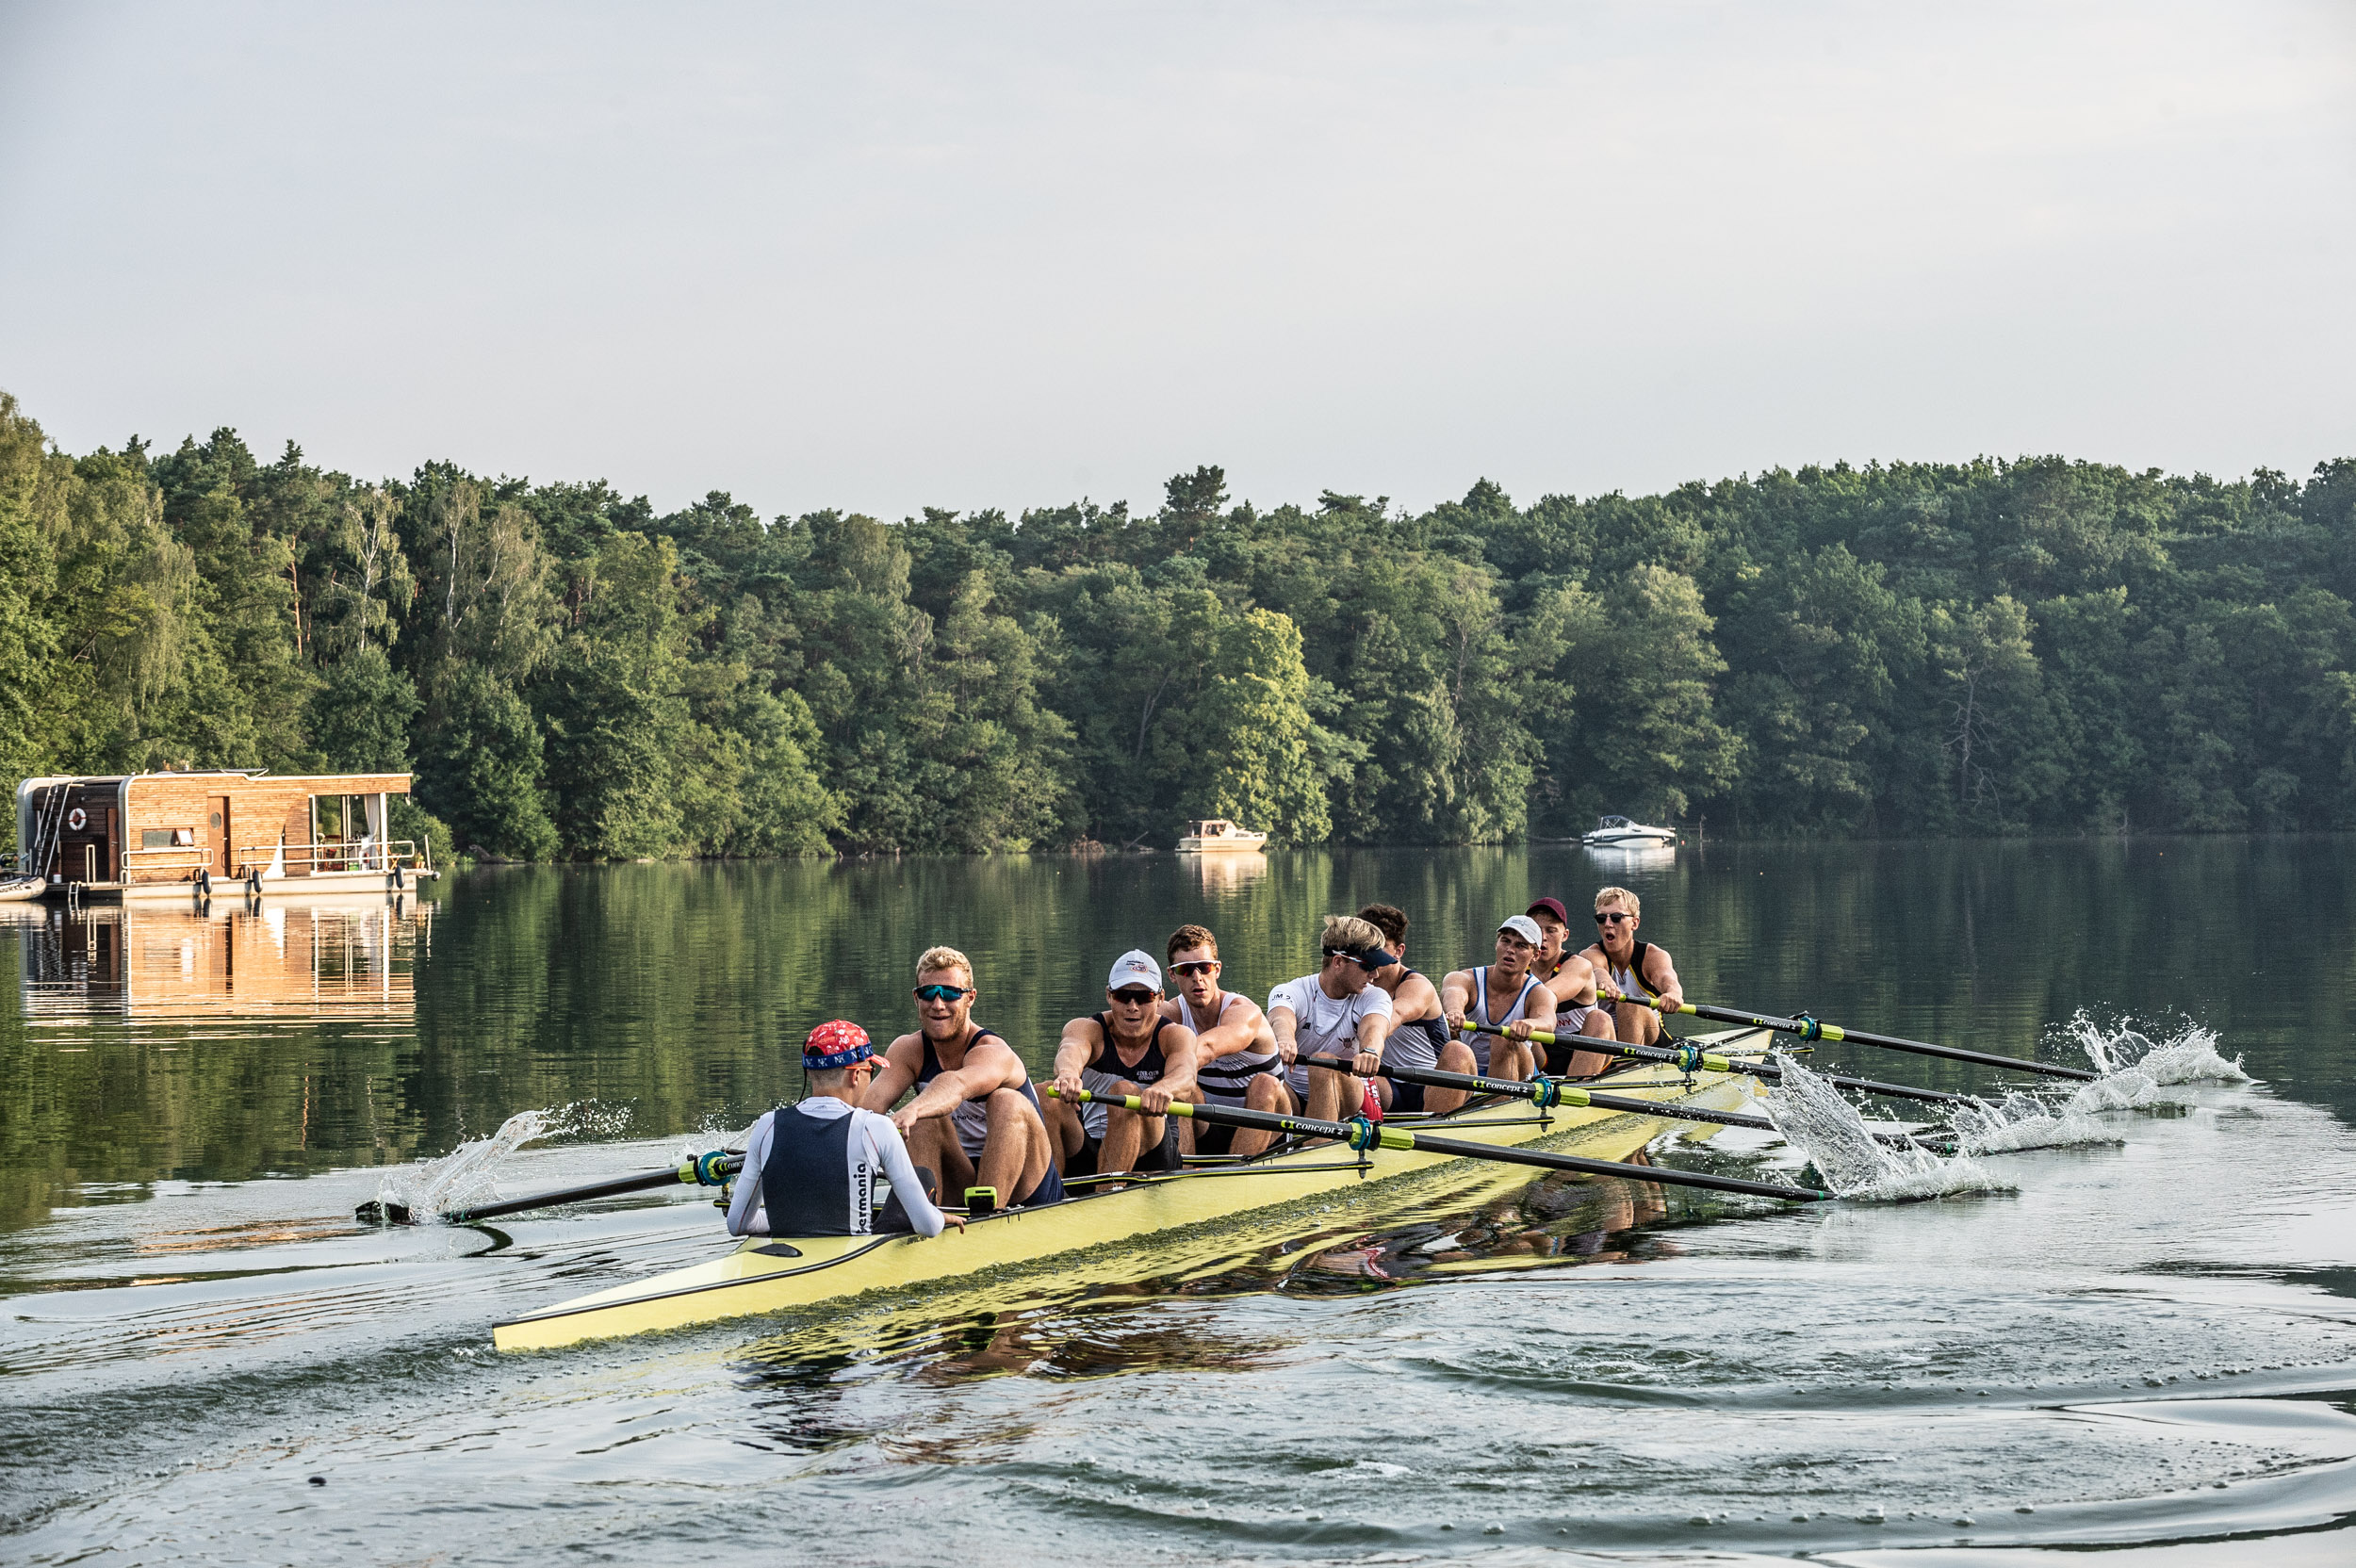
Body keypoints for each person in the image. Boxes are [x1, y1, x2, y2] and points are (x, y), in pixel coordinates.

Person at [862, 945, 1063, 1212]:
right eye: (928, 994)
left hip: (1027, 1181)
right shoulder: (908, 1049)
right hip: (963, 1175)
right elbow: (867, 1108)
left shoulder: (993, 1051)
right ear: (916, 998)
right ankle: (918, 1218)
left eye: (950, 994)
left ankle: (987, 1218)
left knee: (1006, 1100)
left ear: (970, 998)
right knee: (924, 1122)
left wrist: (911, 1110)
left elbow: (956, 1085)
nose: (938, 1004)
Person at [726, 1020, 966, 1239]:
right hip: (856, 1257)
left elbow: (738, 1224)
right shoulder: (876, 1127)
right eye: (870, 1072)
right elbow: (927, 1226)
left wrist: (788, 1219)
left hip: (784, 1249)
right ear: (855, 1076)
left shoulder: (768, 1125)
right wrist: (938, 1217)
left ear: (810, 1073)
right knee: (923, 1177)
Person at [1046, 950, 1202, 1178]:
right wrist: (1068, 1074)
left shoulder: (1175, 1035)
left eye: (1144, 997)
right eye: (1123, 996)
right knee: (1045, 1094)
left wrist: (1162, 1089)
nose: (1132, 1006)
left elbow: (1186, 1076)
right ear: (1109, 996)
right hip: (1093, 1147)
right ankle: (1050, 1198)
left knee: (1125, 1093)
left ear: (1160, 998)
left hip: (1154, 1155)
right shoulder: (1087, 1028)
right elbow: (1071, 1050)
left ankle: (1106, 1198)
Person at [1160, 923, 1288, 1157]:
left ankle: (1234, 1175)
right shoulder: (1170, 1015)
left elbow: (1207, 1047)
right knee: (1185, 1091)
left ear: (1217, 969)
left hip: (1268, 1124)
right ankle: (1181, 1176)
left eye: (1204, 967)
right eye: (1186, 970)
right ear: (1172, 975)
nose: (1197, 978)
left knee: (1264, 1084)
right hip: (1210, 1125)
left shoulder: (1244, 1012)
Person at [1267, 914, 1396, 1122]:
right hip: (1295, 1095)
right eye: (1368, 966)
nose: (1375, 975)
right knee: (1263, 1084)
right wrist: (1285, 1039)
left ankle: (1315, 1148)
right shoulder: (1291, 991)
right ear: (1338, 962)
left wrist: (1370, 1051)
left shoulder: (1373, 996)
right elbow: (1281, 1018)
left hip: (1350, 1095)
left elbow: (1374, 1029)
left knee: (1323, 1062)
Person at [1356, 903, 1483, 1115]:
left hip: (1433, 1085)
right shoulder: (1357, 985)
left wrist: (1369, 1045)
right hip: (1389, 1086)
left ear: (1398, 951)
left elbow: (1393, 1016)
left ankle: (1435, 1131)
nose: (1370, 955)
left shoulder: (1417, 986)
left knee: (1458, 1051)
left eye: (1378, 947)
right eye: (1365, 947)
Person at [1440, 915, 1559, 1083]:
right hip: (1473, 1072)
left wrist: (1530, 1024)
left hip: (1521, 1073)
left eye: (1521, 946)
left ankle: (1496, 1105)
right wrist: (1455, 1011)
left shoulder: (1539, 992)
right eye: (1505, 941)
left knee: (1503, 1036)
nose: (1510, 950)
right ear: (1497, 944)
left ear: (1536, 955)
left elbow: (1547, 1021)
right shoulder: (1466, 979)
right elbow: (1454, 991)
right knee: (1454, 1049)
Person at [1578, 886, 1685, 1048]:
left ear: (1634, 923)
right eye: (1601, 918)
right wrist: (1605, 983)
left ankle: (1628, 1066)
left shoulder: (1653, 956)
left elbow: (1667, 979)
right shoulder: (1589, 955)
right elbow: (1597, 970)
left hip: (1654, 1043)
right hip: (1608, 1044)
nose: (1607, 924)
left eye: (1616, 917)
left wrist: (1674, 994)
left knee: (1629, 1004)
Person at [1526, 895, 1617, 1079]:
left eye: (1551, 930)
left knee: (1600, 1018)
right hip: (1541, 1056)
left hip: (1584, 1053)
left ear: (1564, 935)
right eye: (1536, 929)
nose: (1543, 937)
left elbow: (1546, 994)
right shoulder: (1519, 967)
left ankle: (1576, 1088)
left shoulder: (1578, 966)